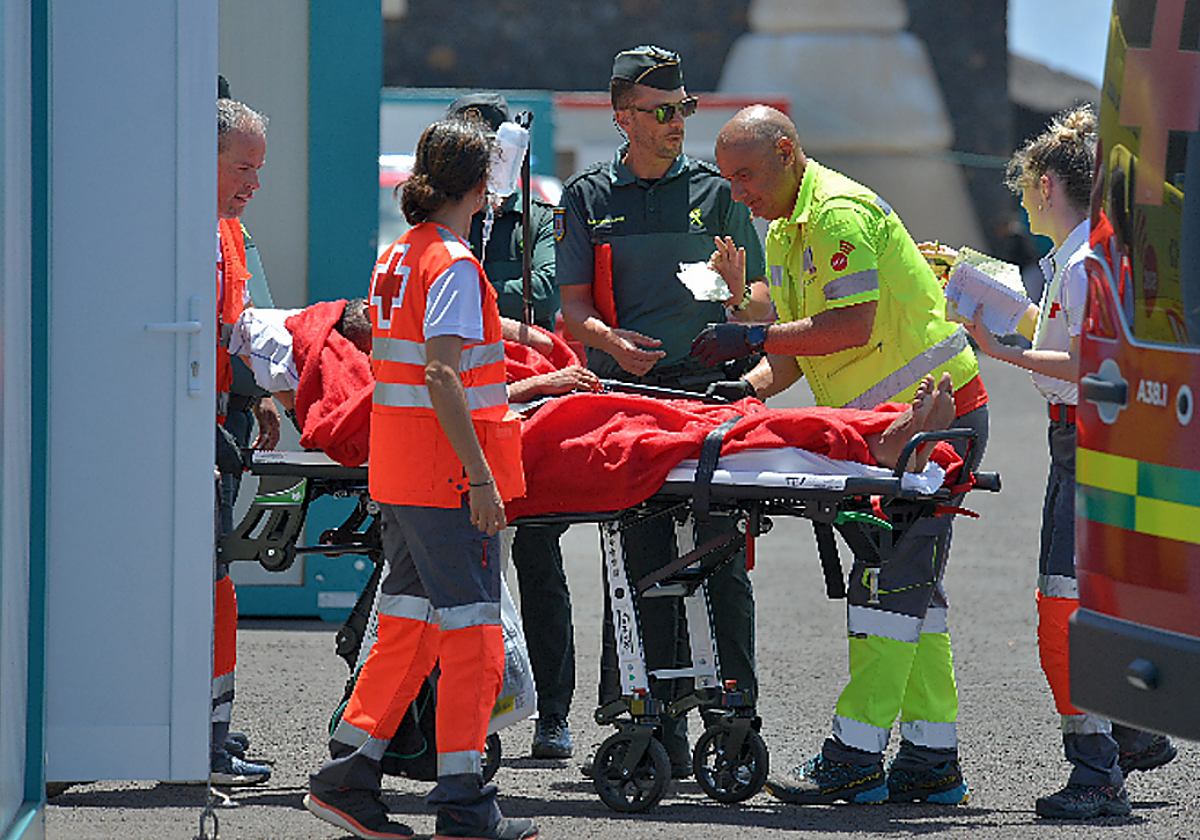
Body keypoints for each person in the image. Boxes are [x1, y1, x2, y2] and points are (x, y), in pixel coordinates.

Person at [690, 104, 989, 805]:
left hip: (932, 420)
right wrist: (745, 387)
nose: (737, 193)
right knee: (912, 592)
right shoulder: (790, 225)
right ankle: (931, 761)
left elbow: (847, 327)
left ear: (786, 151)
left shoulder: (834, 216)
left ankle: (855, 756)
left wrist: (754, 340)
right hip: (886, 432)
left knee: (889, 591)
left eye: (746, 176)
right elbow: (798, 350)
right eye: (729, 179)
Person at [304, 117, 538, 840]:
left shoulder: (398, 255)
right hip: (445, 480)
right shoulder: (455, 265)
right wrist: (481, 479)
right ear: (478, 188)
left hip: (400, 472)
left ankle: (349, 774)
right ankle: (463, 804)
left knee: (405, 626)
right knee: (474, 637)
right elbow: (442, 373)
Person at [555, 45, 766, 777]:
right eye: (663, 111)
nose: (679, 122)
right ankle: (646, 726)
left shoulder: (720, 194)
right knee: (637, 560)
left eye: (685, 108)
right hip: (628, 396)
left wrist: (742, 298)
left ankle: (732, 717)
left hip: (711, 397)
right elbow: (573, 309)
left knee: (721, 555)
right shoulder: (585, 198)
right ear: (624, 118)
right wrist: (612, 342)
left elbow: (761, 304)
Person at [962, 105, 1175, 820]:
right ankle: (1133, 733)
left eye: (1025, 189)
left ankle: (1097, 773)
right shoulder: (1089, 257)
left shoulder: (1085, 262)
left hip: (1084, 445)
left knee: (1062, 610)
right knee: (1100, 601)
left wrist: (999, 350)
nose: (1022, 202)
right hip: (1100, 443)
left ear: (1049, 184)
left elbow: (1090, 360)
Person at [448, 92, 580, 759]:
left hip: (526, 404)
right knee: (459, 566)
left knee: (539, 560)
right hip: (458, 411)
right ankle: (473, 709)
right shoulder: (437, 217)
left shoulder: (536, 219)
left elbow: (545, 296)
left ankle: (552, 712)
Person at [212, 97, 275, 786]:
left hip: (223, 419)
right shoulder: (183, 229)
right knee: (205, 584)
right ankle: (200, 731)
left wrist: (256, 398)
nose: (254, 184)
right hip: (190, 428)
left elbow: (239, 329)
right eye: (241, 168)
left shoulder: (227, 232)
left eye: (259, 170)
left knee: (217, 582)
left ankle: (210, 726)